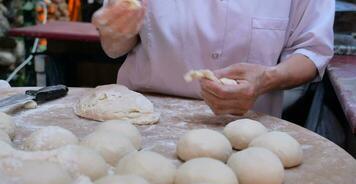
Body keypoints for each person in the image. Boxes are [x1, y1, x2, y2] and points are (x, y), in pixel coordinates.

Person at [92, 0, 335, 117]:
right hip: (141, 119)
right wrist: (114, 31)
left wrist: (266, 79)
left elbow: (313, 51)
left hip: (246, 130)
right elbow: (115, 47)